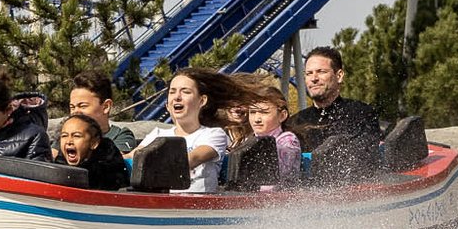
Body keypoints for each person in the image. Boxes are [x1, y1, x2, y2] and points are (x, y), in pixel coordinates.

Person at [131, 69, 265, 194]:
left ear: (202, 101)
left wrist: (148, 164)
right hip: (163, 200)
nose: (177, 97)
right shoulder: (158, 133)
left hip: (197, 205)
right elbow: (134, 156)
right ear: (167, 104)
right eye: (172, 92)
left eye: (185, 92)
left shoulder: (213, 134)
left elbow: (192, 159)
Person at [290, 47, 387, 145]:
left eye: (321, 72)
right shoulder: (295, 123)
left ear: (339, 76)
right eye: (309, 73)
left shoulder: (361, 114)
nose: (314, 78)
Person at [63, 69, 139, 157]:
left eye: (83, 106)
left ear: (106, 106)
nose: (75, 112)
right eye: (72, 107)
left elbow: (113, 163)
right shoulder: (66, 137)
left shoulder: (120, 136)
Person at [55, 113, 128, 191]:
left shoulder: (107, 163)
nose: (68, 141)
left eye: (76, 136)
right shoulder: (60, 161)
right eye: (64, 136)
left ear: (94, 143)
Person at [243, 95, 303, 182]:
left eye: (264, 112)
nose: (256, 119)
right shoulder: (247, 140)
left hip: (281, 193)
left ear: (282, 116)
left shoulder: (288, 140)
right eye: (252, 112)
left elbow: (279, 174)